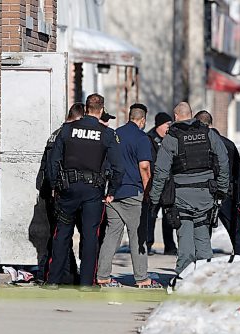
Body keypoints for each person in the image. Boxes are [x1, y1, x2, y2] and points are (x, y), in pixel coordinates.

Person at [45, 93, 124, 291]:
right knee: (90, 235)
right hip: (93, 192)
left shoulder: (67, 130)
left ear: (87, 108)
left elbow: (53, 161)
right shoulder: (106, 133)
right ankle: (87, 283)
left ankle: (53, 279)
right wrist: (112, 190)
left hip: (68, 189)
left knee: (62, 234)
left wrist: (55, 185)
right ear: (101, 110)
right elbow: (119, 167)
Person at [149, 102, 229, 275]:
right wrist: (222, 188)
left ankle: (184, 277)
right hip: (206, 194)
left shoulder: (172, 138)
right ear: (191, 114)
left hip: (182, 196)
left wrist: (154, 198)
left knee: (185, 238)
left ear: (176, 116)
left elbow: (161, 171)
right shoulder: (208, 133)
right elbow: (223, 161)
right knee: (203, 236)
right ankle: (206, 276)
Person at [97, 103, 162, 288]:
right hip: (133, 193)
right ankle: (142, 278)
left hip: (113, 193)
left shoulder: (115, 134)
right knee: (137, 235)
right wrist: (148, 192)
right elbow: (144, 167)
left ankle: (102, 276)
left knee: (111, 235)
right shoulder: (141, 138)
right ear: (142, 120)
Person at [35, 103, 84, 283]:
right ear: (78, 118)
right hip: (60, 191)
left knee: (61, 235)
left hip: (50, 190)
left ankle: (67, 273)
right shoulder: (66, 135)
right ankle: (63, 275)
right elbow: (55, 166)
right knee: (62, 236)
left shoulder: (56, 133)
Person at [194, 110, 240, 254]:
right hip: (227, 194)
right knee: (235, 231)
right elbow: (238, 173)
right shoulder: (228, 144)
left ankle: (201, 261)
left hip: (203, 193)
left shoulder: (197, 144)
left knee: (202, 231)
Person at [146, 112, 177, 256]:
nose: (169, 127)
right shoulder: (149, 138)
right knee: (150, 215)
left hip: (168, 184)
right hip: (154, 183)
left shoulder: (170, 139)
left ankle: (169, 246)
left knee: (168, 216)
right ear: (159, 125)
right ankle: (147, 244)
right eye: (167, 125)